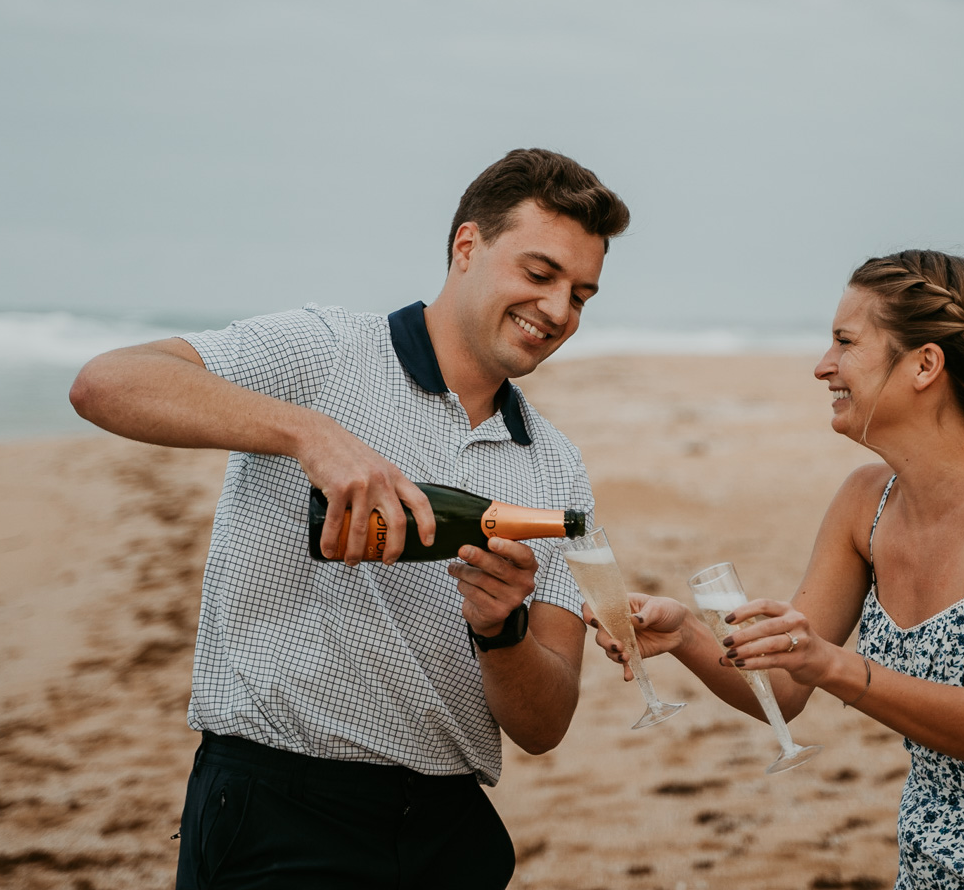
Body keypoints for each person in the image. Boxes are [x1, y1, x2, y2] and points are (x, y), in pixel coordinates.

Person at [69, 148, 630, 890]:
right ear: (468, 247)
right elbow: (106, 384)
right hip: (278, 812)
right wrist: (311, 435)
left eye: (582, 295)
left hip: (449, 832)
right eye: (539, 274)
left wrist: (502, 629)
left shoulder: (554, 466)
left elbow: (544, 724)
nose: (559, 311)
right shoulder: (327, 353)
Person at [594, 251, 964, 888]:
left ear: (924, 365)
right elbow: (785, 694)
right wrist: (685, 633)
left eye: (845, 342)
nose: (822, 365)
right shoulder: (866, 502)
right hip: (930, 856)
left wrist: (828, 661)